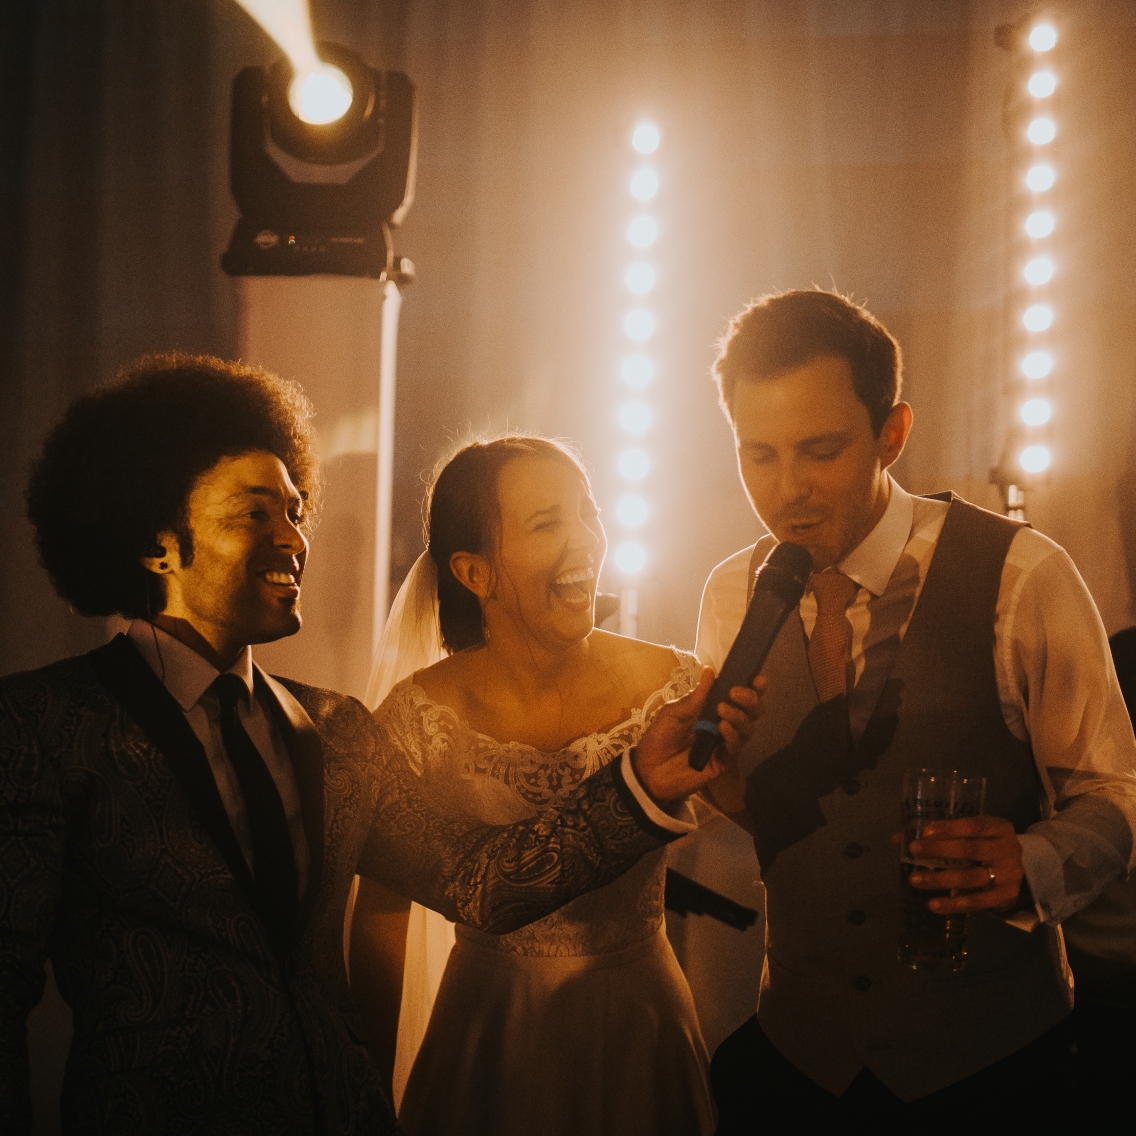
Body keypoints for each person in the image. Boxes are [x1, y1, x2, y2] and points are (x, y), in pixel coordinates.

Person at [0, 355, 738, 1135]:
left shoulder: (337, 728)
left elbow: (479, 885)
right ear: (157, 546)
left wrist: (640, 788)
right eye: (256, 514)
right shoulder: (45, 727)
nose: (294, 537)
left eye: (296, 509)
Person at [680, 290, 1136, 1131]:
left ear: (893, 434)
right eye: (758, 455)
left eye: (820, 452)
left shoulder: (1021, 575)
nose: (787, 492)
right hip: (797, 1067)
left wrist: (1033, 862)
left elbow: (1117, 796)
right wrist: (711, 775)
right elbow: (760, 815)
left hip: (994, 1068)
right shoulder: (729, 595)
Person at [348, 436, 760, 1136]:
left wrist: (752, 758)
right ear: (476, 572)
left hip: (640, 1020)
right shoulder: (416, 717)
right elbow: (382, 920)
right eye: (548, 524)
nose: (585, 542)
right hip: (490, 1032)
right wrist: (367, 1093)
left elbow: (764, 824)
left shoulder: (674, 684)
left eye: (587, 513)